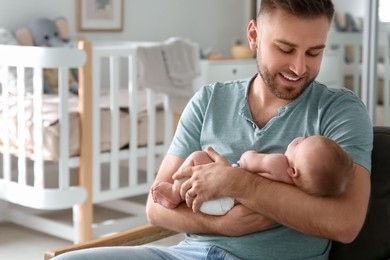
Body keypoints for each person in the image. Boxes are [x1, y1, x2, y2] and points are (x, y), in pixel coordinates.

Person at [54, 0, 373, 259]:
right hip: (186, 254)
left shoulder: (340, 112)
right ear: (254, 36)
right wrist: (224, 226)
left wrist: (236, 182)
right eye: (286, 49)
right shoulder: (209, 100)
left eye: (314, 52)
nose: (299, 68)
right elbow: (156, 208)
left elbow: (345, 223)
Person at [152, 135, 355, 216]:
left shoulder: (279, 163)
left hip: (222, 198)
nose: (300, 138)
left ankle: (175, 193)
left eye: (302, 143)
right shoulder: (297, 188)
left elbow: (248, 160)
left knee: (198, 157)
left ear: (293, 171)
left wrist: (248, 156)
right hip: (227, 205)